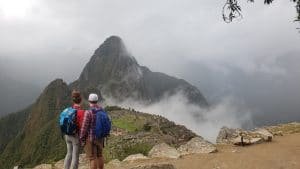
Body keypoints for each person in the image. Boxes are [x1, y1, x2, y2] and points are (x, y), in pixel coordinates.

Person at [80, 93, 104, 169]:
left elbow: (84, 127)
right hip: (100, 137)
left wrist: (82, 138)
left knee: (92, 158)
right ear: (97, 100)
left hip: (91, 138)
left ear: (89, 101)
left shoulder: (88, 112)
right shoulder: (102, 110)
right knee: (100, 155)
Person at [63, 90, 85, 169]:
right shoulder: (81, 112)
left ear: (73, 100)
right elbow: (82, 127)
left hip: (66, 135)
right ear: (81, 100)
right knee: (75, 156)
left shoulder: (67, 110)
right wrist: (83, 139)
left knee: (69, 153)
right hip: (75, 136)